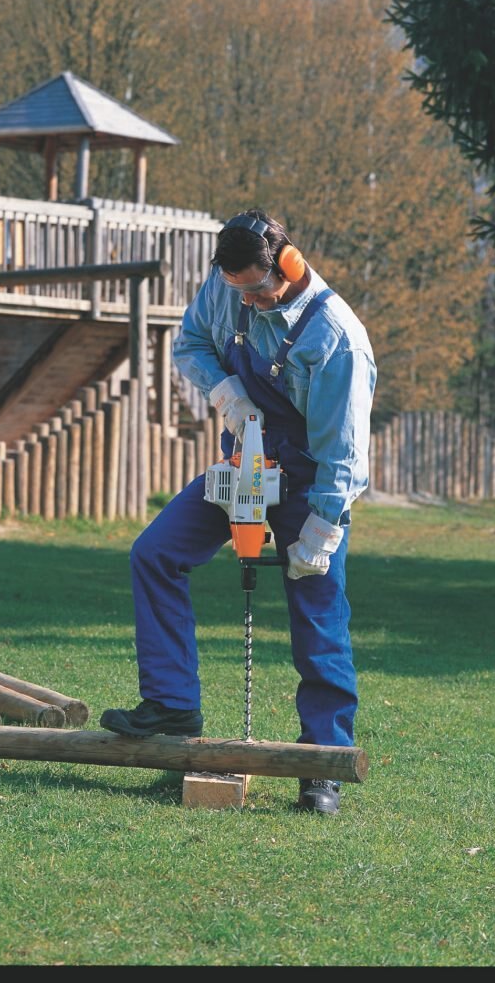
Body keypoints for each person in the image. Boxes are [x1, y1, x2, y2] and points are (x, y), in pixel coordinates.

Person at [99, 209, 376, 815]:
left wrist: (322, 530)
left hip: (311, 483)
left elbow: (344, 453)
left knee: (317, 608)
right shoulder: (228, 285)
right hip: (244, 462)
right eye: (237, 290)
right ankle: (172, 704)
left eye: (257, 289)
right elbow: (192, 343)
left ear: (288, 265)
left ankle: (322, 762)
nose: (246, 301)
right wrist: (226, 392)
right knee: (155, 553)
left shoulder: (337, 338)